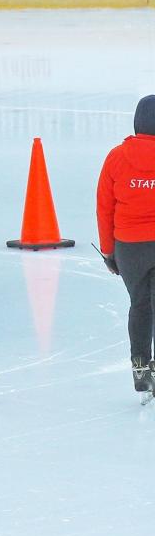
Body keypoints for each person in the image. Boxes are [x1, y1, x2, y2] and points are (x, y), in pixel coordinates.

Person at [97, 94, 155, 397]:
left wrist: (109, 251)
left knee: (140, 305)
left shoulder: (116, 157)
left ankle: (141, 365)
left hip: (129, 246)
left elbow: (104, 207)